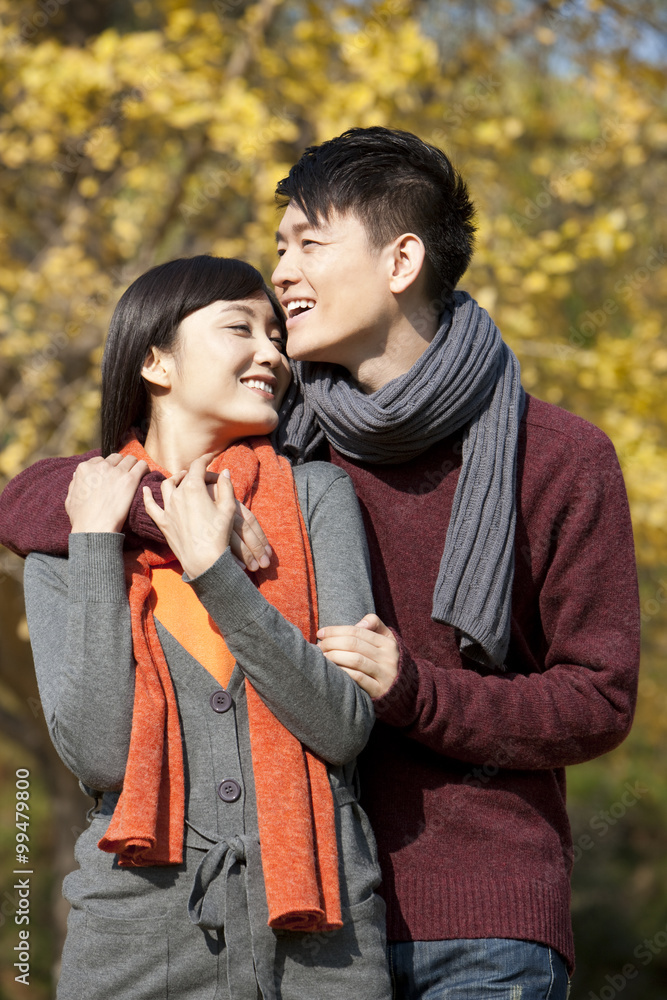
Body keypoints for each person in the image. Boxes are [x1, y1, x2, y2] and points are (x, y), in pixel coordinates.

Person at [0, 127, 640, 999]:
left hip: (476, 918)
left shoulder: (557, 454)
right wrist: (169, 518)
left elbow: (598, 698)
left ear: (401, 259)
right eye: (278, 249)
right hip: (297, 921)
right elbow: (39, 495)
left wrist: (414, 690)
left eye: (309, 244)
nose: (285, 274)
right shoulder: (289, 442)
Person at [15, 255, 392, 999]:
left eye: (275, 334)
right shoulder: (69, 534)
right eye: (239, 328)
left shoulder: (316, 499)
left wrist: (216, 572)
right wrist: (95, 543)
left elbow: (342, 725)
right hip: (135, 940)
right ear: (154, 360)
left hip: (322, 941)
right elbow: (99, 755)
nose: (273, 353)